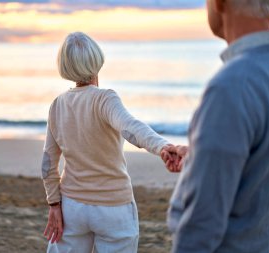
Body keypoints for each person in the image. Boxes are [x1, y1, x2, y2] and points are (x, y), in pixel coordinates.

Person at [162, 0, 269, 252]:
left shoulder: (231, 87)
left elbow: (199, 229)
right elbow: (265, 163)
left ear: (219, 3)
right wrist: (200, 159)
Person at [41, 32, 179, 253]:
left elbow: (48, 163)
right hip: (113, 208)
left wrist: (54, 204)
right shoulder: (105, 98)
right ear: (97, 60)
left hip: (72, 207)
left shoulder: (57, 105)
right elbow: (131, 127)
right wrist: (162, 147)